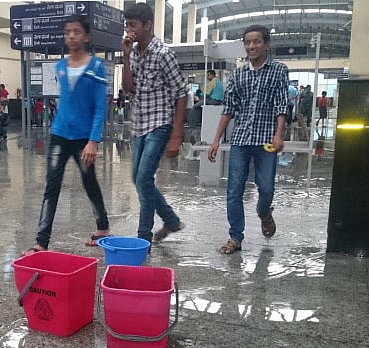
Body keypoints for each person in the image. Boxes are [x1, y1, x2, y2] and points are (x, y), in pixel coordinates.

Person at [21, 15, 112, 255]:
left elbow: (99, 106)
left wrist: (93, 140)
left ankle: (103, 227)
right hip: (60, 135)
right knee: (52, 186)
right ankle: (41, 241)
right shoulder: (60, 66)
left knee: (89, 182)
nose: (71, 36)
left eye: (76, 31)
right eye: (67, 32)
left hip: (84, 139)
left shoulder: (96, 67)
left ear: (86, 36)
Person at [207, 24, 288, 254]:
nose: (251, 46)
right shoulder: (239, 73)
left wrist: (279, 134)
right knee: (234, 190)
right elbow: (229, 109)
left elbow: (282, 105)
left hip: (266, 141)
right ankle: (235, 237)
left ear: (267, 44)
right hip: (241, 140)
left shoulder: (278, 71)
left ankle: (264, 212)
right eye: (248, 42)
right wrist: (216, 140)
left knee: (266, 187)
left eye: (256, 42)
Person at [122, 2, 187, 247]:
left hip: (160, 123)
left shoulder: (163, 54)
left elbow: (182, 93)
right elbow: (129, 89)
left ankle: (143, 238)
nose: (130, 30)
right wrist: (126, 56)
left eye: (133, 25)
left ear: (148, 25)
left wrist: (176, 135)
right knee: (139, 180)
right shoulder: (134, 52)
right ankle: (170, 220)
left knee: (143, 178)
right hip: (139, 124)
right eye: (127, 25)